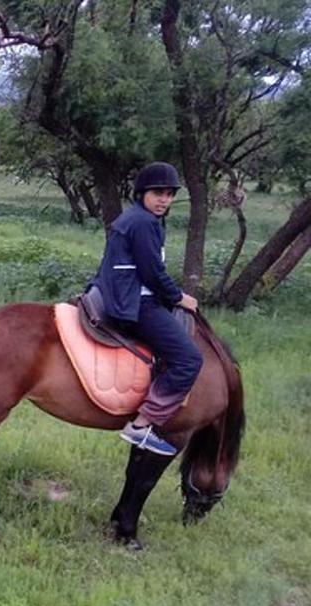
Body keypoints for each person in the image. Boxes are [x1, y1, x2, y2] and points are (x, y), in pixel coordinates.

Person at [90, 161, 202, 457]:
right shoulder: (144, 223)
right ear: (142, 193)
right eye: (157, 193)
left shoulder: (133, 218)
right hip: (136, 303)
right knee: (189, 358)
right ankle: (142, 424)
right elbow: (152, 273)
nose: (164, 199)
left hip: (117, 293)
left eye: (169, 193)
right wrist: (179, 297)